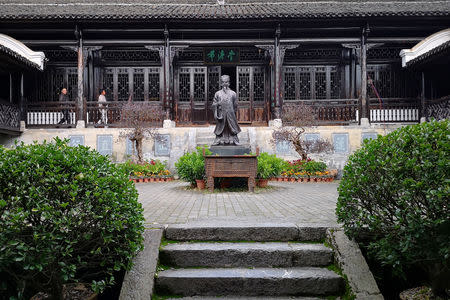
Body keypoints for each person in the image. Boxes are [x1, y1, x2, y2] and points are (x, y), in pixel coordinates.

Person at [211, 75, 241, 145]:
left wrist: (232, 111)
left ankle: (234, 139)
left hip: (230, 113)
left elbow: (235, 105)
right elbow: (213, 104)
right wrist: (218, 104)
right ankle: (218, 139)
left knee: (232, 126)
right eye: (223, 82)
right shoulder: (217, 93)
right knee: (220, 126)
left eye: (226, 82)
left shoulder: (233, 93)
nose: (225, 84)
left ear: (229, 83)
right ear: (221, 83)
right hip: (221, 114)